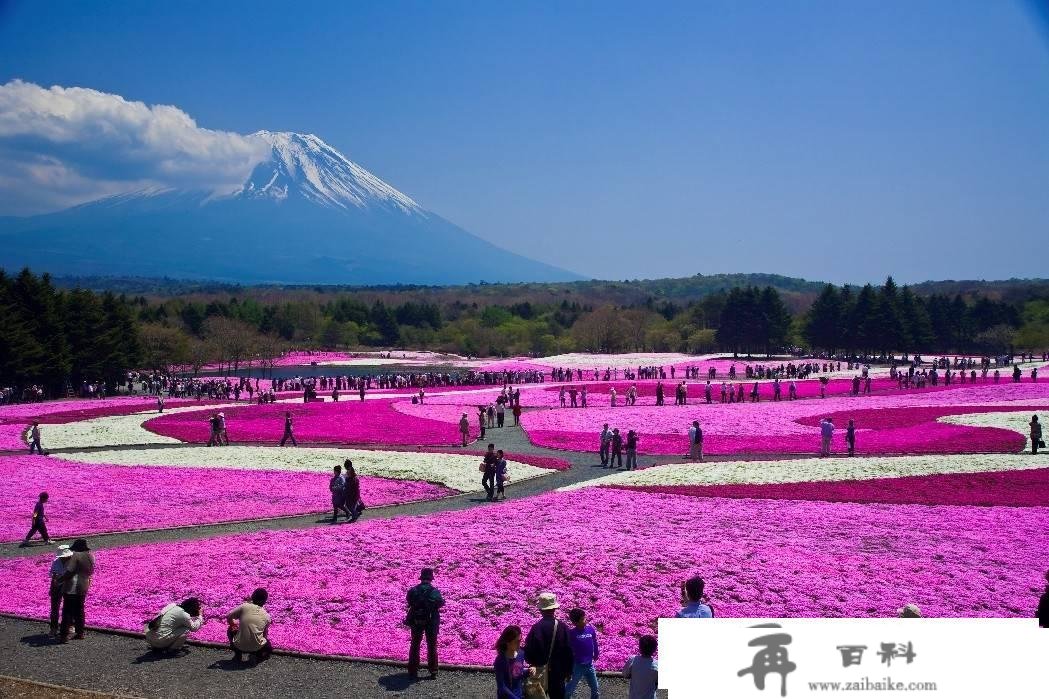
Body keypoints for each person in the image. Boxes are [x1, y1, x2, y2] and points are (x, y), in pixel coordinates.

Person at [524, 593, 574, 699]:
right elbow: (569, 651)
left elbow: (528, 649)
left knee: (539, 696)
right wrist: (569, 671)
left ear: (541, 610)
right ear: (554, 609)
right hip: (558, 672)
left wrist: (532, 663)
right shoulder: (563, 627)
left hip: (540, 671)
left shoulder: (536, 628)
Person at [406, 568, 444, 679]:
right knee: (432, 645)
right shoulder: (435, 591)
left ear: (421, 578)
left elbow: (409, 601)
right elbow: (441, 602)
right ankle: (433, 671)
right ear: (431, 579)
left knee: (415, 644)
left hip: (416, 620)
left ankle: (413, 671)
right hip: (431, 621)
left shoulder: (413, 590)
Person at [59, 538, 95, 642]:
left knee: (67, 611)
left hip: (72, 586)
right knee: (79, 610)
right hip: (84, 585)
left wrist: (60, 580)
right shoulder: (91, 556)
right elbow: (91, 572)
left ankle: (64, 635)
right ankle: (80, 633)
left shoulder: (76, 556)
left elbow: (70, 572)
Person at [227, 588, 272, 663]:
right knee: (268, 645)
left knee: (230, 629)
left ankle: (238, 654)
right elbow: (265, 634)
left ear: (252, 597)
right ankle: (259, 656)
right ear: (265, 601)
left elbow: (229, 616)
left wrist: (233, 624)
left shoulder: (244, 606)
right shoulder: (267, 616)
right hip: (256, 648)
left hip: (239, 646)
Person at [565, 607, 600, 699]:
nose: (586, 620)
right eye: (583, 619)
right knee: (569, 690)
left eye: (585, 617)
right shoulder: (571, 633)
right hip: (577, 666)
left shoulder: (590, 630)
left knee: (595, 688)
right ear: (575, 622)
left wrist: (596, 653)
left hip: (589, 665)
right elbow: (567, 649)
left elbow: (594, 642)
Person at [495, 625, 529, 699]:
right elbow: (502, 686)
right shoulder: (500, 661)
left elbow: (517, 674)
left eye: (520, 640)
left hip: (520, 695)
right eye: (517, 642)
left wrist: (529, 671)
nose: (519, 644)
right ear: (508, 642)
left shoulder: (521, 654)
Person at [48, 545, 73, 636]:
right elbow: (53, 575)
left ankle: (70, 625)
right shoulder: (56, 561)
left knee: (69, 607)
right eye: (62, 557)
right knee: (55, 608)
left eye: (65, 556)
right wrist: (52, 587)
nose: (64, 558)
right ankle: (53, 628)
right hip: (57, 585)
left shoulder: (73, 561)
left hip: (69, 585)